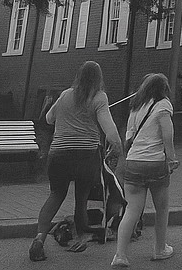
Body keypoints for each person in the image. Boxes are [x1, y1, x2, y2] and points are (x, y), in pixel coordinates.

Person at [29, 60, 122, 262]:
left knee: (56, 194)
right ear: (99, 78)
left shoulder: (65, 95)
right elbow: (110, 129)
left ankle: (39, 239)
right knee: (82, 197)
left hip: (58, 155)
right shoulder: (99, 97)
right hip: (85, 156)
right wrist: (117, 146)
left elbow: (48, 119)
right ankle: (81, 237)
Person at [112, 73, 179, 267]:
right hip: (155, 162)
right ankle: (160, 249)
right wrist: (172, 159)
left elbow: (129, 136)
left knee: (132, 209)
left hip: (133, 162)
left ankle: (120, 255)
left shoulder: (135, 107)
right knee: (162, 208)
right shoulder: (163, 105)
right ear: (163, 89)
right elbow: (168, 135)